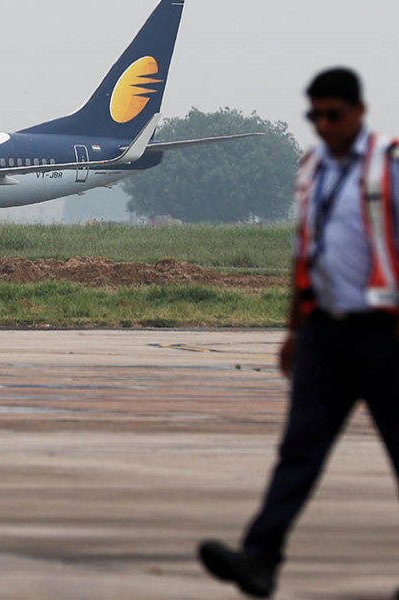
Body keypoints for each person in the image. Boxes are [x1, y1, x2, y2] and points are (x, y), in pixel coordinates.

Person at [197, 67, 399, 598]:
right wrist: (293, 330)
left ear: (358, 112)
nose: (323, 125)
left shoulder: (387, 167)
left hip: (384, 335)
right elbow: (304, 253)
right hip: (324, 338)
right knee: (298, 453)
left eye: (333, 115)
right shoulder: (313, 170)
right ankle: (259, 559)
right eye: (315, 116)